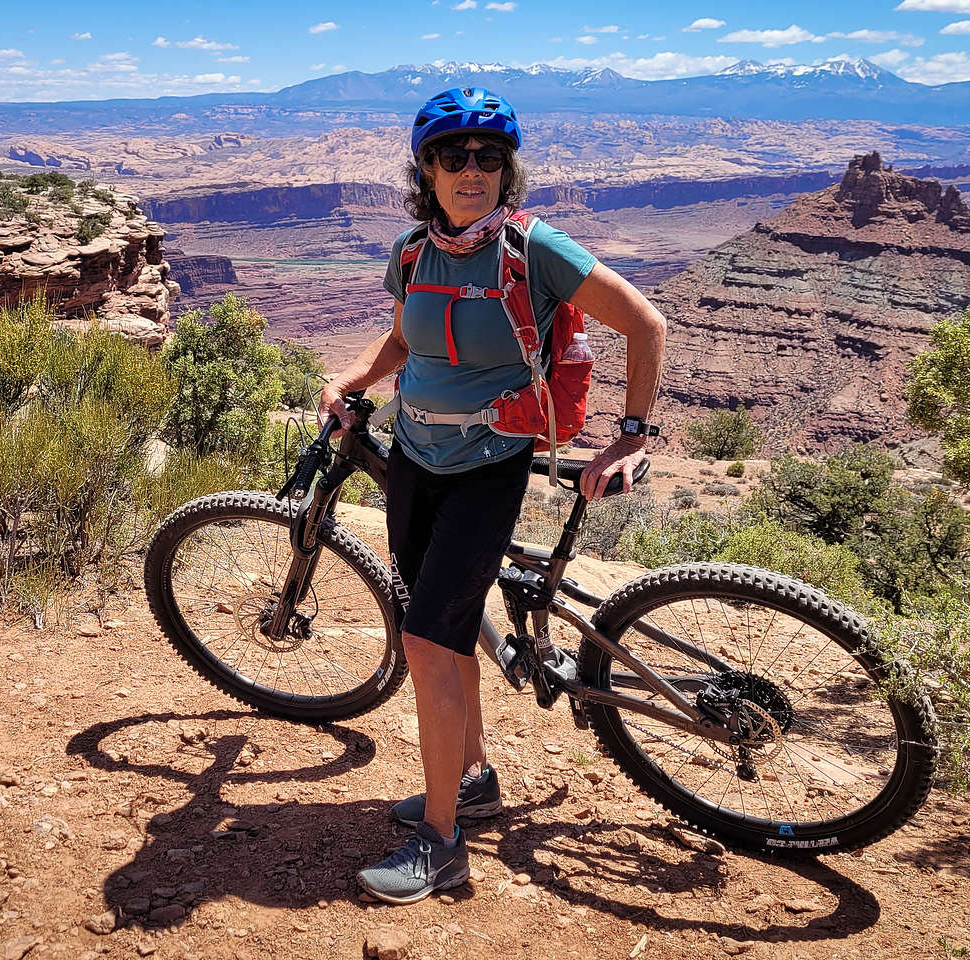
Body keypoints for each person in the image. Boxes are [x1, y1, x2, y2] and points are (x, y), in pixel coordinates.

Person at [318, 86, 665, 905]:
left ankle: (441, 844)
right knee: (444, 626)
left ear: (507, 170)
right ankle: (472, 780)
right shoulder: (410, 252)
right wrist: (353, 378)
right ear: (426, 170)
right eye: (453, 156)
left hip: (488, 466)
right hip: (416, 459)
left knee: (429, 644)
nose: (471, 170)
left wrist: (632, 435)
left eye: (489, 157)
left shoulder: (533, 249)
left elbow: (645, 324)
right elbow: (407, 337)